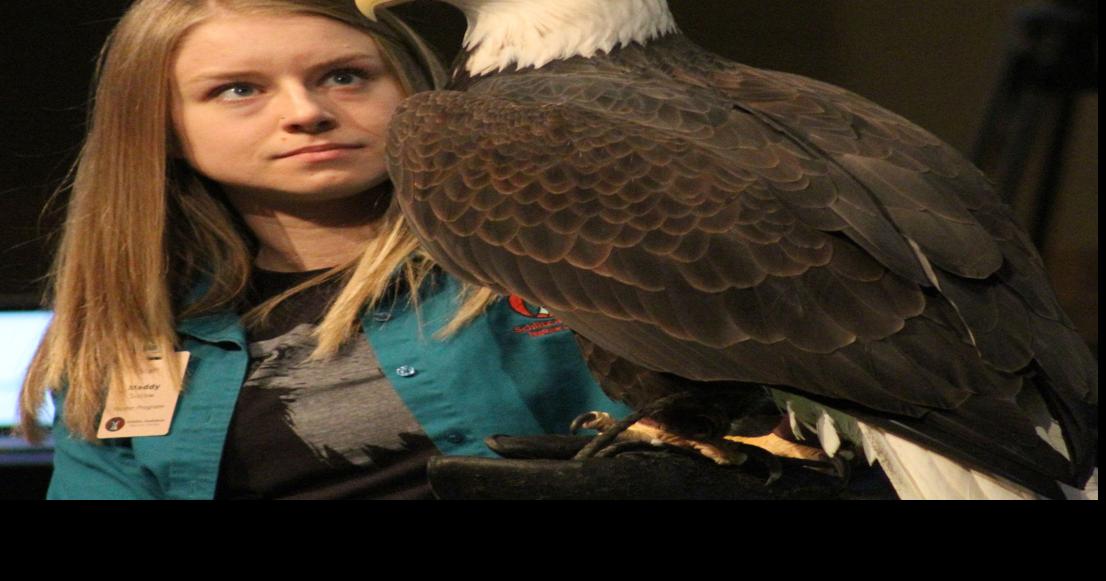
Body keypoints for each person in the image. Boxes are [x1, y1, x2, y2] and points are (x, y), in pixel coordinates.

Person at [18, 0, 629, 500]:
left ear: (409, 87)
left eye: (344, 76)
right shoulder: (132, 329)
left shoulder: (554, 250)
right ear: (163, 128)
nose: (306, 113)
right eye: (238, 90)